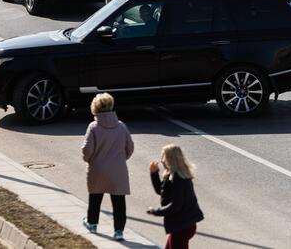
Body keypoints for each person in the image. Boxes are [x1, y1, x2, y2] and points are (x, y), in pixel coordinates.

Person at [81, 93, 134, 241]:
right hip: (118, 170)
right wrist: (123, 159)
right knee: (119, 202)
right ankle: (118, 231)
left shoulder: (93, 127)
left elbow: (87, 149)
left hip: (97, 169)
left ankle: (92, 223)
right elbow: (130, 147)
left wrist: (88, 159)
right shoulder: (121, 126)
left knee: (95, 197)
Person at [147, 145, 204, 249]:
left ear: (170, 159)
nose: (161, 161)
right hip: (182, 225)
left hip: (182, 226)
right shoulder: (172, 174)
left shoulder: (178, 179)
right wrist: (154, 174)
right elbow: (161, 191)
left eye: (163, 157)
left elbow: (176, 206)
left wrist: (156, 211)